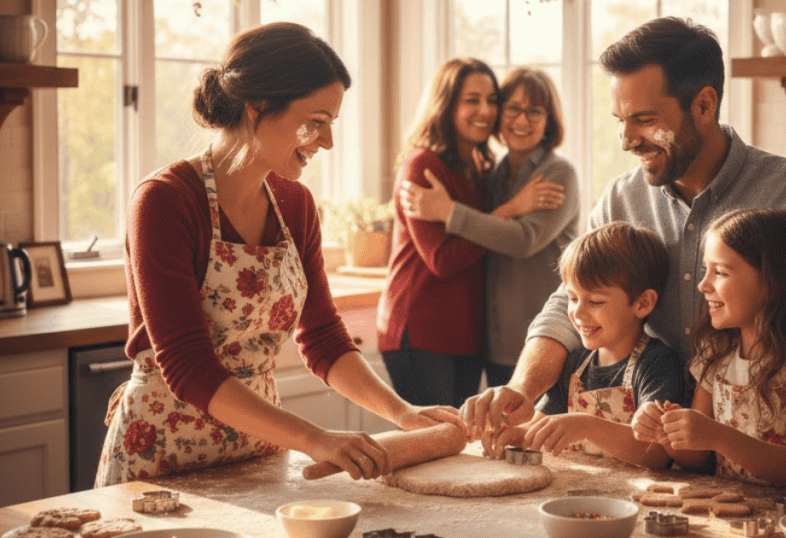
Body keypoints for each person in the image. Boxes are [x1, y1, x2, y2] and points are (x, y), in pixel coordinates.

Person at [96, 22, 460, 487]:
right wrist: (317, 439)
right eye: (316, 121)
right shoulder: (165, 201)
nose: (326, 142)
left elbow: (324, 338)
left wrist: (402, 413)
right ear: (258, 107)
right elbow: (188, 365)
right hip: (162, 454)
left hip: (255, 452)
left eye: (331, 124)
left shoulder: (296, 205)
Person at [461, 16, 786, 442]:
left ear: (704, 105)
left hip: (759, 458)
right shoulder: (619, 200)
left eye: (644, 120)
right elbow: (566, 307)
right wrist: (523, 388)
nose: (626, 140)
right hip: (646, 457)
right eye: (619, 119)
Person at [631, 208, 786, 497]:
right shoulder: (717, 352)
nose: (703, 285)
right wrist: (666, 432)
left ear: (772, 283)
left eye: (720, 272)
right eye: (706, 270)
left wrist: (718, 436)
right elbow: (695, 456)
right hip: (743, 515)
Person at [399, 67, 579, 387]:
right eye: (513, 108)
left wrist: (449, 211)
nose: (522, 121)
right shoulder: (494, 174)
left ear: (549, 121)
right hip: (497, 347)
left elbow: (524, 239)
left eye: (534, 111)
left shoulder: (558, 173)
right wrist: (511, 208)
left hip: (545, 341)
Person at [486, 222, 683, 469]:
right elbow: (542, 423)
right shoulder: (574, 363)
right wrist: (517, 434)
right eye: (572, 298)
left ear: (643, 303)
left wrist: (587, 426)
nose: (577, 313)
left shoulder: (657, 364)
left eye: (595, 301)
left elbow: (657, 455)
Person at [378, 58, 510, 408]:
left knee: (457, 448)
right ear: (446, 104)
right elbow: (442, 260)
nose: (485, 110)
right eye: (472, 100)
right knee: (434, 445)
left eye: (492, 99)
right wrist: (505, 216)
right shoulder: (421, 165)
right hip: (418, 330)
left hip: (466, 334)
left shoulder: (482, 167)